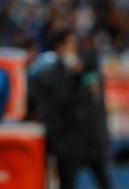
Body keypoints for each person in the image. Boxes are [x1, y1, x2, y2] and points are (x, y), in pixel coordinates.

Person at [28, 28, 111, 189]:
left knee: (105, 182)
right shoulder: (48, 74)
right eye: (71, 44)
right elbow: (59, 102)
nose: (75, 48)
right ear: (60, 48)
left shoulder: (86, 67)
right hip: (68, 143)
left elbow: (96, 93)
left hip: (93, 140)